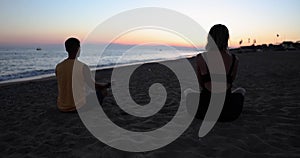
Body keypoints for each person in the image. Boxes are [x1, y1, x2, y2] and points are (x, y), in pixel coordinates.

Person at [193, 24, 246, 122]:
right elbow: (230, 83)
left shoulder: (201, 58)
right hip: (228, 113)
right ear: (226, 39)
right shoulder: (234, 60)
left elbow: (200, 83)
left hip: (203, 112)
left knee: (188, 91)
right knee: (241, 90)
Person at [55, 37, 110, 112]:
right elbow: (93, 85)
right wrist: (105, 85)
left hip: (62, 107)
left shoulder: (59, 66)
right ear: (78, 49)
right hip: (79, 107)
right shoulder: (83, 67)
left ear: (66, 49)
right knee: (103, 91)